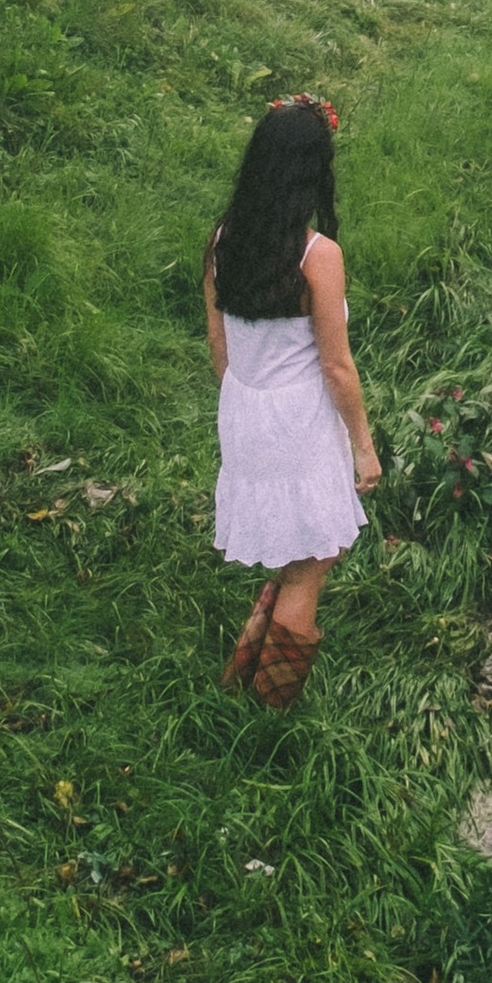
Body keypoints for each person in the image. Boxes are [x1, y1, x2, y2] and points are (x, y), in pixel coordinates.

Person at [204, 94, 380, 705]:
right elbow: (336, 365)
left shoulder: (223, 239)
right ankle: (268, 711)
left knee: (296, 548)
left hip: (247, 411)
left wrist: (245, 403)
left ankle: (240, 676)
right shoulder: (316, 256)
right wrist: (364, 447)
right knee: (316, 553)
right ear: (312, 172)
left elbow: (218, 346)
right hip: (299, 423)